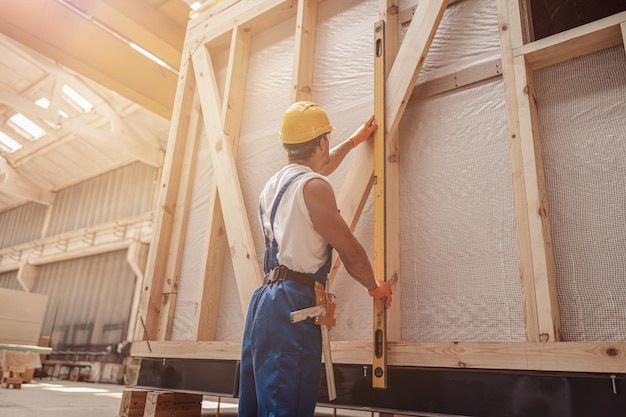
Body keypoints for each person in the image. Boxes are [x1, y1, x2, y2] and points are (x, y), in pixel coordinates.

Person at [238, 101, 393, 417]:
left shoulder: (275, 185)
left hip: (264, 305)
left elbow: (321, 166)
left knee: (256, 407)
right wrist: (374, 287)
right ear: (321, 142)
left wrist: (354, 140)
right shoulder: (315, 187)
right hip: (294, 307)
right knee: (287, 407)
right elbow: (349, 251)